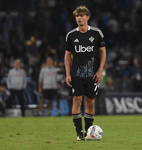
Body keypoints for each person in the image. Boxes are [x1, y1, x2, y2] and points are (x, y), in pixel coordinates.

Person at [64, 5, 106, 141]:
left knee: (90, 102)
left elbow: (103, 52)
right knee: (77, 101)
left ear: (87, 17)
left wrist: (100, 71)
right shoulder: (71, 35)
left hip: (92, 74)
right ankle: (79, 134)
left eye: (81, 16)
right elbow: (67, 55)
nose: (79, 18)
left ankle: (89, 132)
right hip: (77, 74)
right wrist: (68, 73)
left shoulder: (96, 33)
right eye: (77, 16)